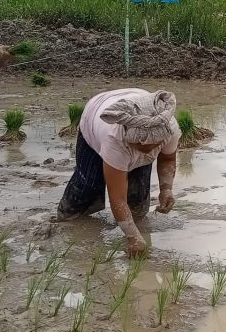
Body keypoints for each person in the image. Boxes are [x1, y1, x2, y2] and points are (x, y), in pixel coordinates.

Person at [57, 88, 181, 257]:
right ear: (129, 136)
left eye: (154, 146)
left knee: (138, 198)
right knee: (88, 185)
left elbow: (167, 159)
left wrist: (166, 189)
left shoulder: (167, 126)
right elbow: (117, 198)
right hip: (94, 118)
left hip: (139, 105)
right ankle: (70, 216)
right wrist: (133, 238)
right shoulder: (114, 139)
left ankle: (133, 221)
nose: (147, 151)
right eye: (141, 146)